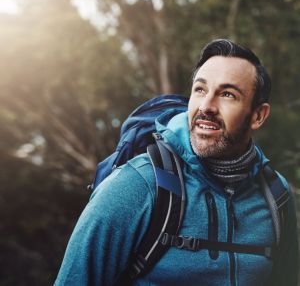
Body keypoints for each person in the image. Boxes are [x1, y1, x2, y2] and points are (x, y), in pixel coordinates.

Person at [55, 39, 299, 286]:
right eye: (200, 90)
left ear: (258, 115)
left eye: (227, 94)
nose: (206, 106)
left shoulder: (275, 195)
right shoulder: (136, 187)